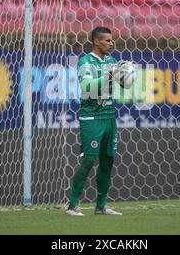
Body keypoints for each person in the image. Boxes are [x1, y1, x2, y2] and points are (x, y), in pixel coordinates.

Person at [66, 26, 125, 216]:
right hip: (91, 116)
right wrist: (109, 75)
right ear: (96, 41)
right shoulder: (85, 61)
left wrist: (126, 75)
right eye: (107, 40)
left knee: (108, 160)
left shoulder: (112, 61)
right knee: (89, 159)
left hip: (109, 115)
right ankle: (73, 205)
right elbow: (87, 86)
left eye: (111, 40)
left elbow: (121, 85)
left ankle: (101, 206)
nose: (111, 43)